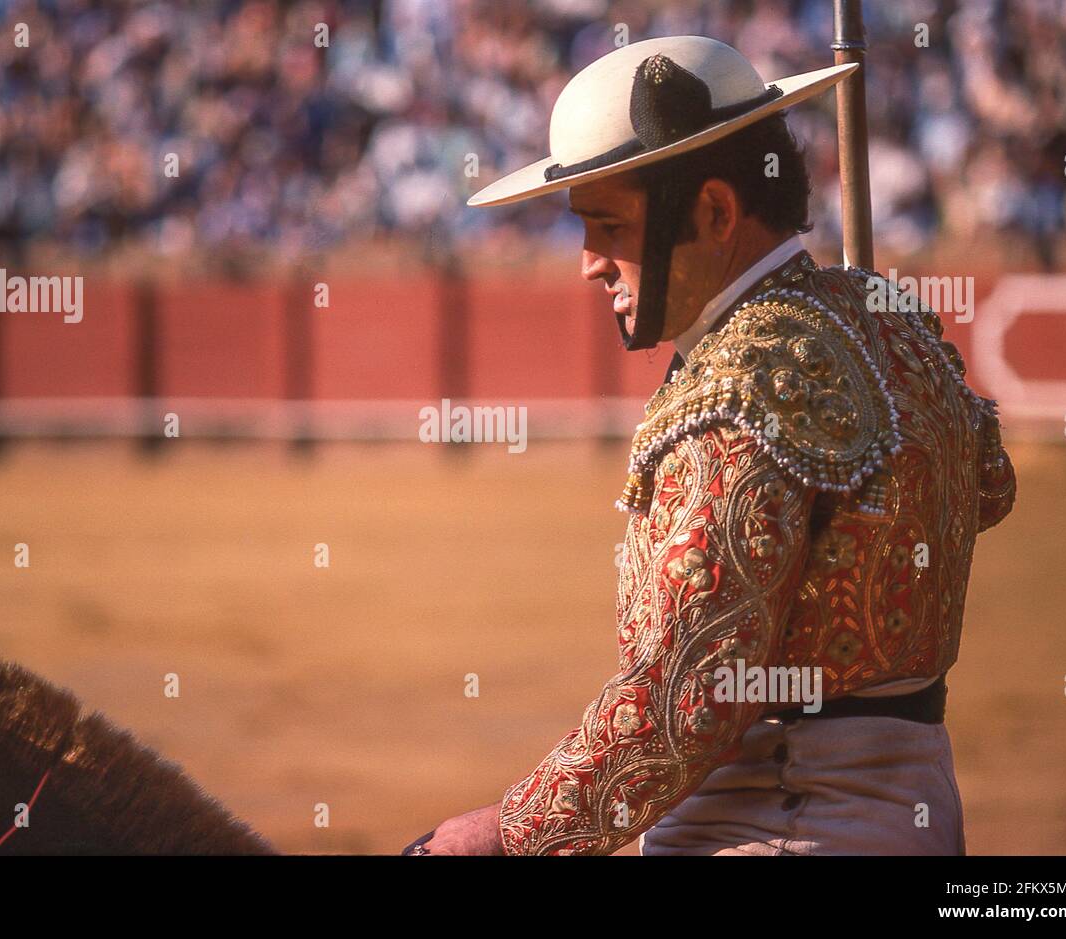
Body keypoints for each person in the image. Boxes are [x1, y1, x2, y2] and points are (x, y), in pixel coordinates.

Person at [408, 35, 1016, 856]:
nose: (591, 264)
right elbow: (991, 486)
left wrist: (500, 837)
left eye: (611, 227)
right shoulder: (887, 313)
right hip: (917, 812)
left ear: (717, 214)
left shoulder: (741, 390)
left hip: (773, 823)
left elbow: (682, 699)